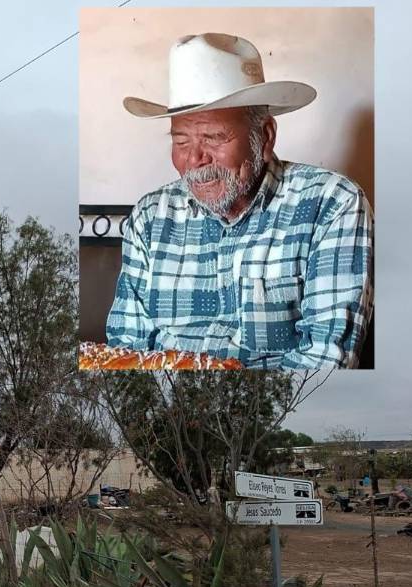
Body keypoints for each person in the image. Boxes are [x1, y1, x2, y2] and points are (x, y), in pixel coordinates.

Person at [106, 33, 373, 369]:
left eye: (214, 138)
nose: (195, 159)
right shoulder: (149, 217)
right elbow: (126, 351)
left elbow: (325, 360)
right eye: (181, 141)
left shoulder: (333, 205)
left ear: (264, 137)